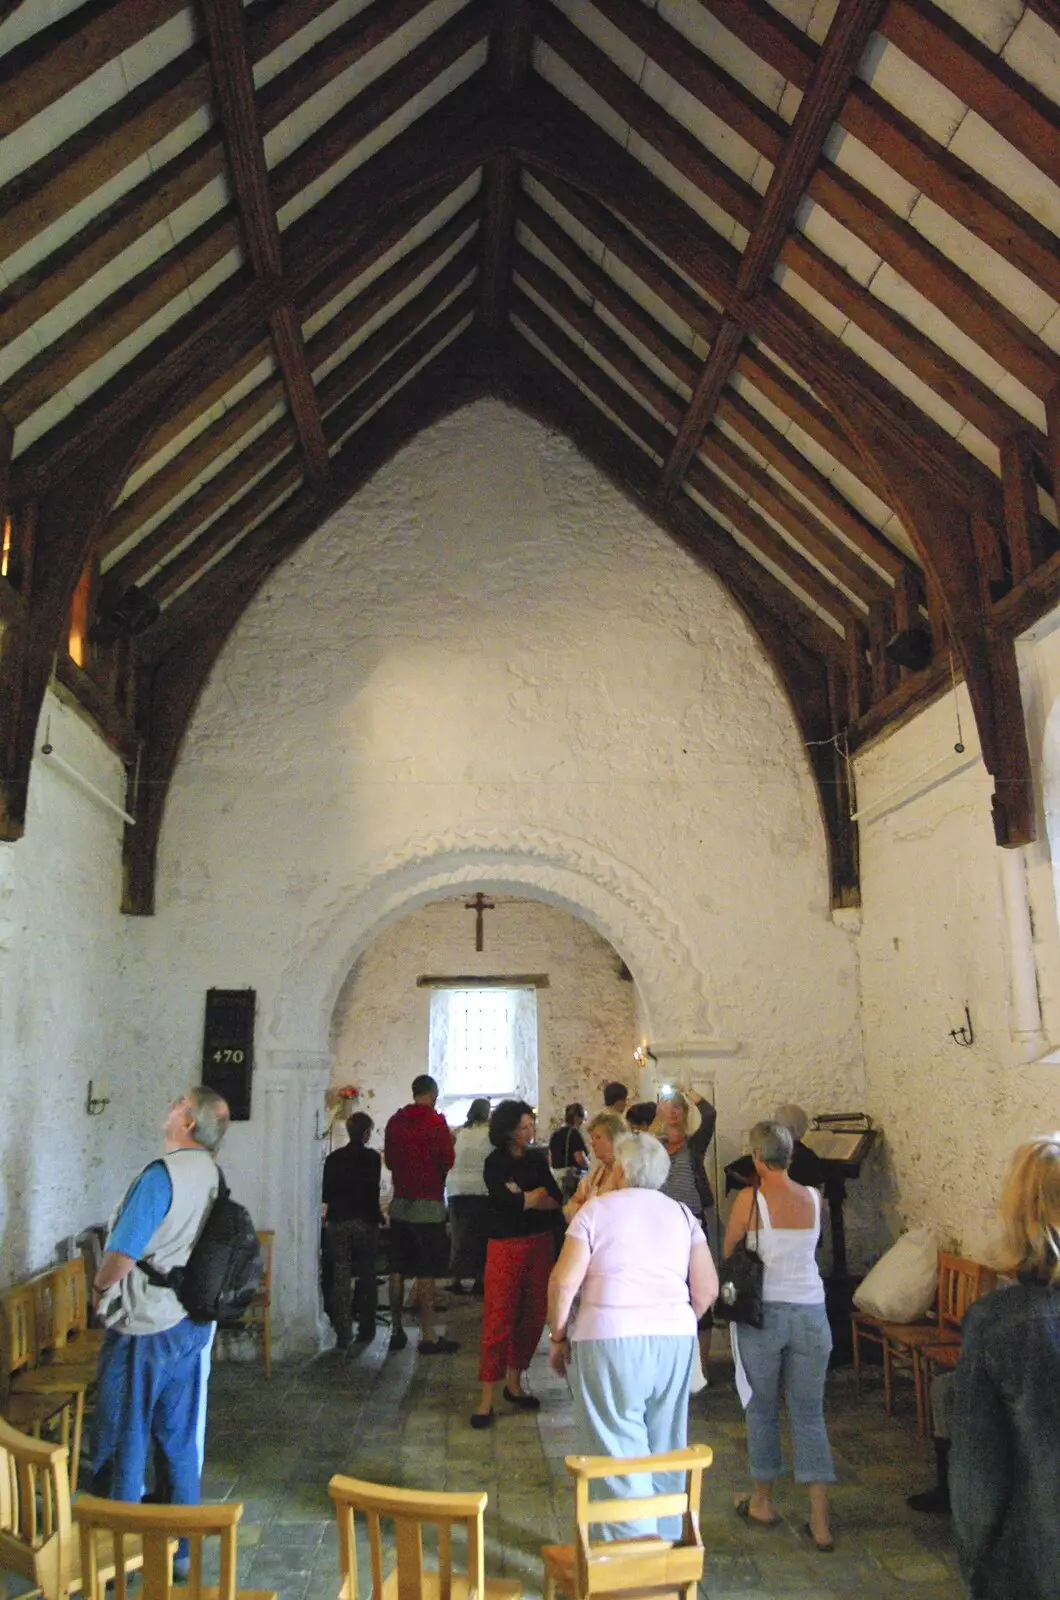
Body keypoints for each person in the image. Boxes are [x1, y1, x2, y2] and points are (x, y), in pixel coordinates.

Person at [547, 1132, 718, 1537]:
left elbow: (562, 1283)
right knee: (665, 1440)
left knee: (617, 1445)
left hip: (609, 1337)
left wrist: (557, 1337)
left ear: (620, 1170)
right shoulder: (681, 1214)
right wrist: (675, 1316)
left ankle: (631, 1559)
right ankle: (665, 1547)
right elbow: (707, 1288)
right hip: (674, 1339)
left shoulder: (595, 1211)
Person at [91, 1087, 229, 1548]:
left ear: (188, 1123)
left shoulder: (161, 1175)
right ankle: (182, 1550)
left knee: (125, 1438)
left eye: (176, 1103)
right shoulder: (213, 1174)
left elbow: (122, 1255)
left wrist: (99, 1288)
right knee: (177, 1438)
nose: (168, 1106)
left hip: (146, 1323)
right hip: (189, 1320)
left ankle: (118, 1551)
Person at [950, 1134, 1060, 1599]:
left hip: (1035, 1562)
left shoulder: (999, 1322)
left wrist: (976, 1567)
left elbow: (978, 1475)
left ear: (1022, 1214)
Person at [724, 1121, 835, 1552]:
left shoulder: (749, 1199)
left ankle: (763, 1502)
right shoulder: (814, 1198)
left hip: (764, 1314)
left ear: (756, 1156)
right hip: (811, 1312)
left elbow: (731, 1249)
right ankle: (820, 1522)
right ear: (790, 1156)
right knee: (810, 1415)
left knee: (762, 1409)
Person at [471, 1099, 562, 1428]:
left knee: (533, 1315)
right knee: (499, 1318)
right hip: (506, 1245)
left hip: (540, 1243)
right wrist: (531, 1197)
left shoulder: (537, 1160)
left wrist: (530, 1198)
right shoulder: (495, 1163)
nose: (530, 1132)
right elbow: (506, 1202)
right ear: (508, 1130)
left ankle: (514, 1381)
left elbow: (554, 1199)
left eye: (530, 1126)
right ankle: (485, 1399)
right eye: (523, 1127)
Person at [383, 1074, 458, 1356]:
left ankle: (395, 1329)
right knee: (426, 1270)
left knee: (397, 1268)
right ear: (433, 1094)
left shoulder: (395, 1121)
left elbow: (389, 1161)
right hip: (428, 1204)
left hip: (401, 1202)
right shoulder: (435, 1123)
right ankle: (428, 1335)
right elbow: (447, 1160)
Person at [658, 1087, 717, 1369]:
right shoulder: (655, 1146)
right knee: (669, 1289)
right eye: (667, 1107)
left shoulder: (694, 1144)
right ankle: (676, 1359)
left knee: (697, 1287)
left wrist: (687, 1090)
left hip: (691, 1220)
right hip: (663, 1225)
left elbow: (710, 1115)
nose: (672, 1112)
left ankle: (702, 1364)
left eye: (677, 1107)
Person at [322, 1110, 383, 1348]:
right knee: (367, 1275)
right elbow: (373, 1190)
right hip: (364, 1221)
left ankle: (343, 1333)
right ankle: (367, 1329)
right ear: (367, 1133)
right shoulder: (372, 1158)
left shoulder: (333, 1158)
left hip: (338, 1220)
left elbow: (326, 1194)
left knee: (340, 1276)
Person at [726, 1104, 826, 1195]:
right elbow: (817, 1193)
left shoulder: (765, 1155)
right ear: (801, 1127)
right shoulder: (808, 1158)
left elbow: (733, 1171)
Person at [447, 1097, 492, 1294]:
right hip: (481, 1190)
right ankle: (479, 1280)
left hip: (456, 1189)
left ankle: (456, 1279)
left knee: (459, 1237)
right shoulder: (491, 1134)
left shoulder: (458, 1133)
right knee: (481, 1237)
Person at [563, 1110, 625, 1222]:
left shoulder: (625, 1173)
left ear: (615, 1139)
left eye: (598, 1137)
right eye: (592, 1138)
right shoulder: (596, 1173)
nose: (593, 1143)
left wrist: (584, 1211)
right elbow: (569, 1208)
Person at [548, 1102, 590, 1202]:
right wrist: (590, 1166)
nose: (582, 1122)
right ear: (577, 1118)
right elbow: (579, 1158)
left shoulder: (555, 1134)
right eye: (582, 1119)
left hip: (556, 1177)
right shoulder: (574, 1133)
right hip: (571, 1178)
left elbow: (550, 1159)